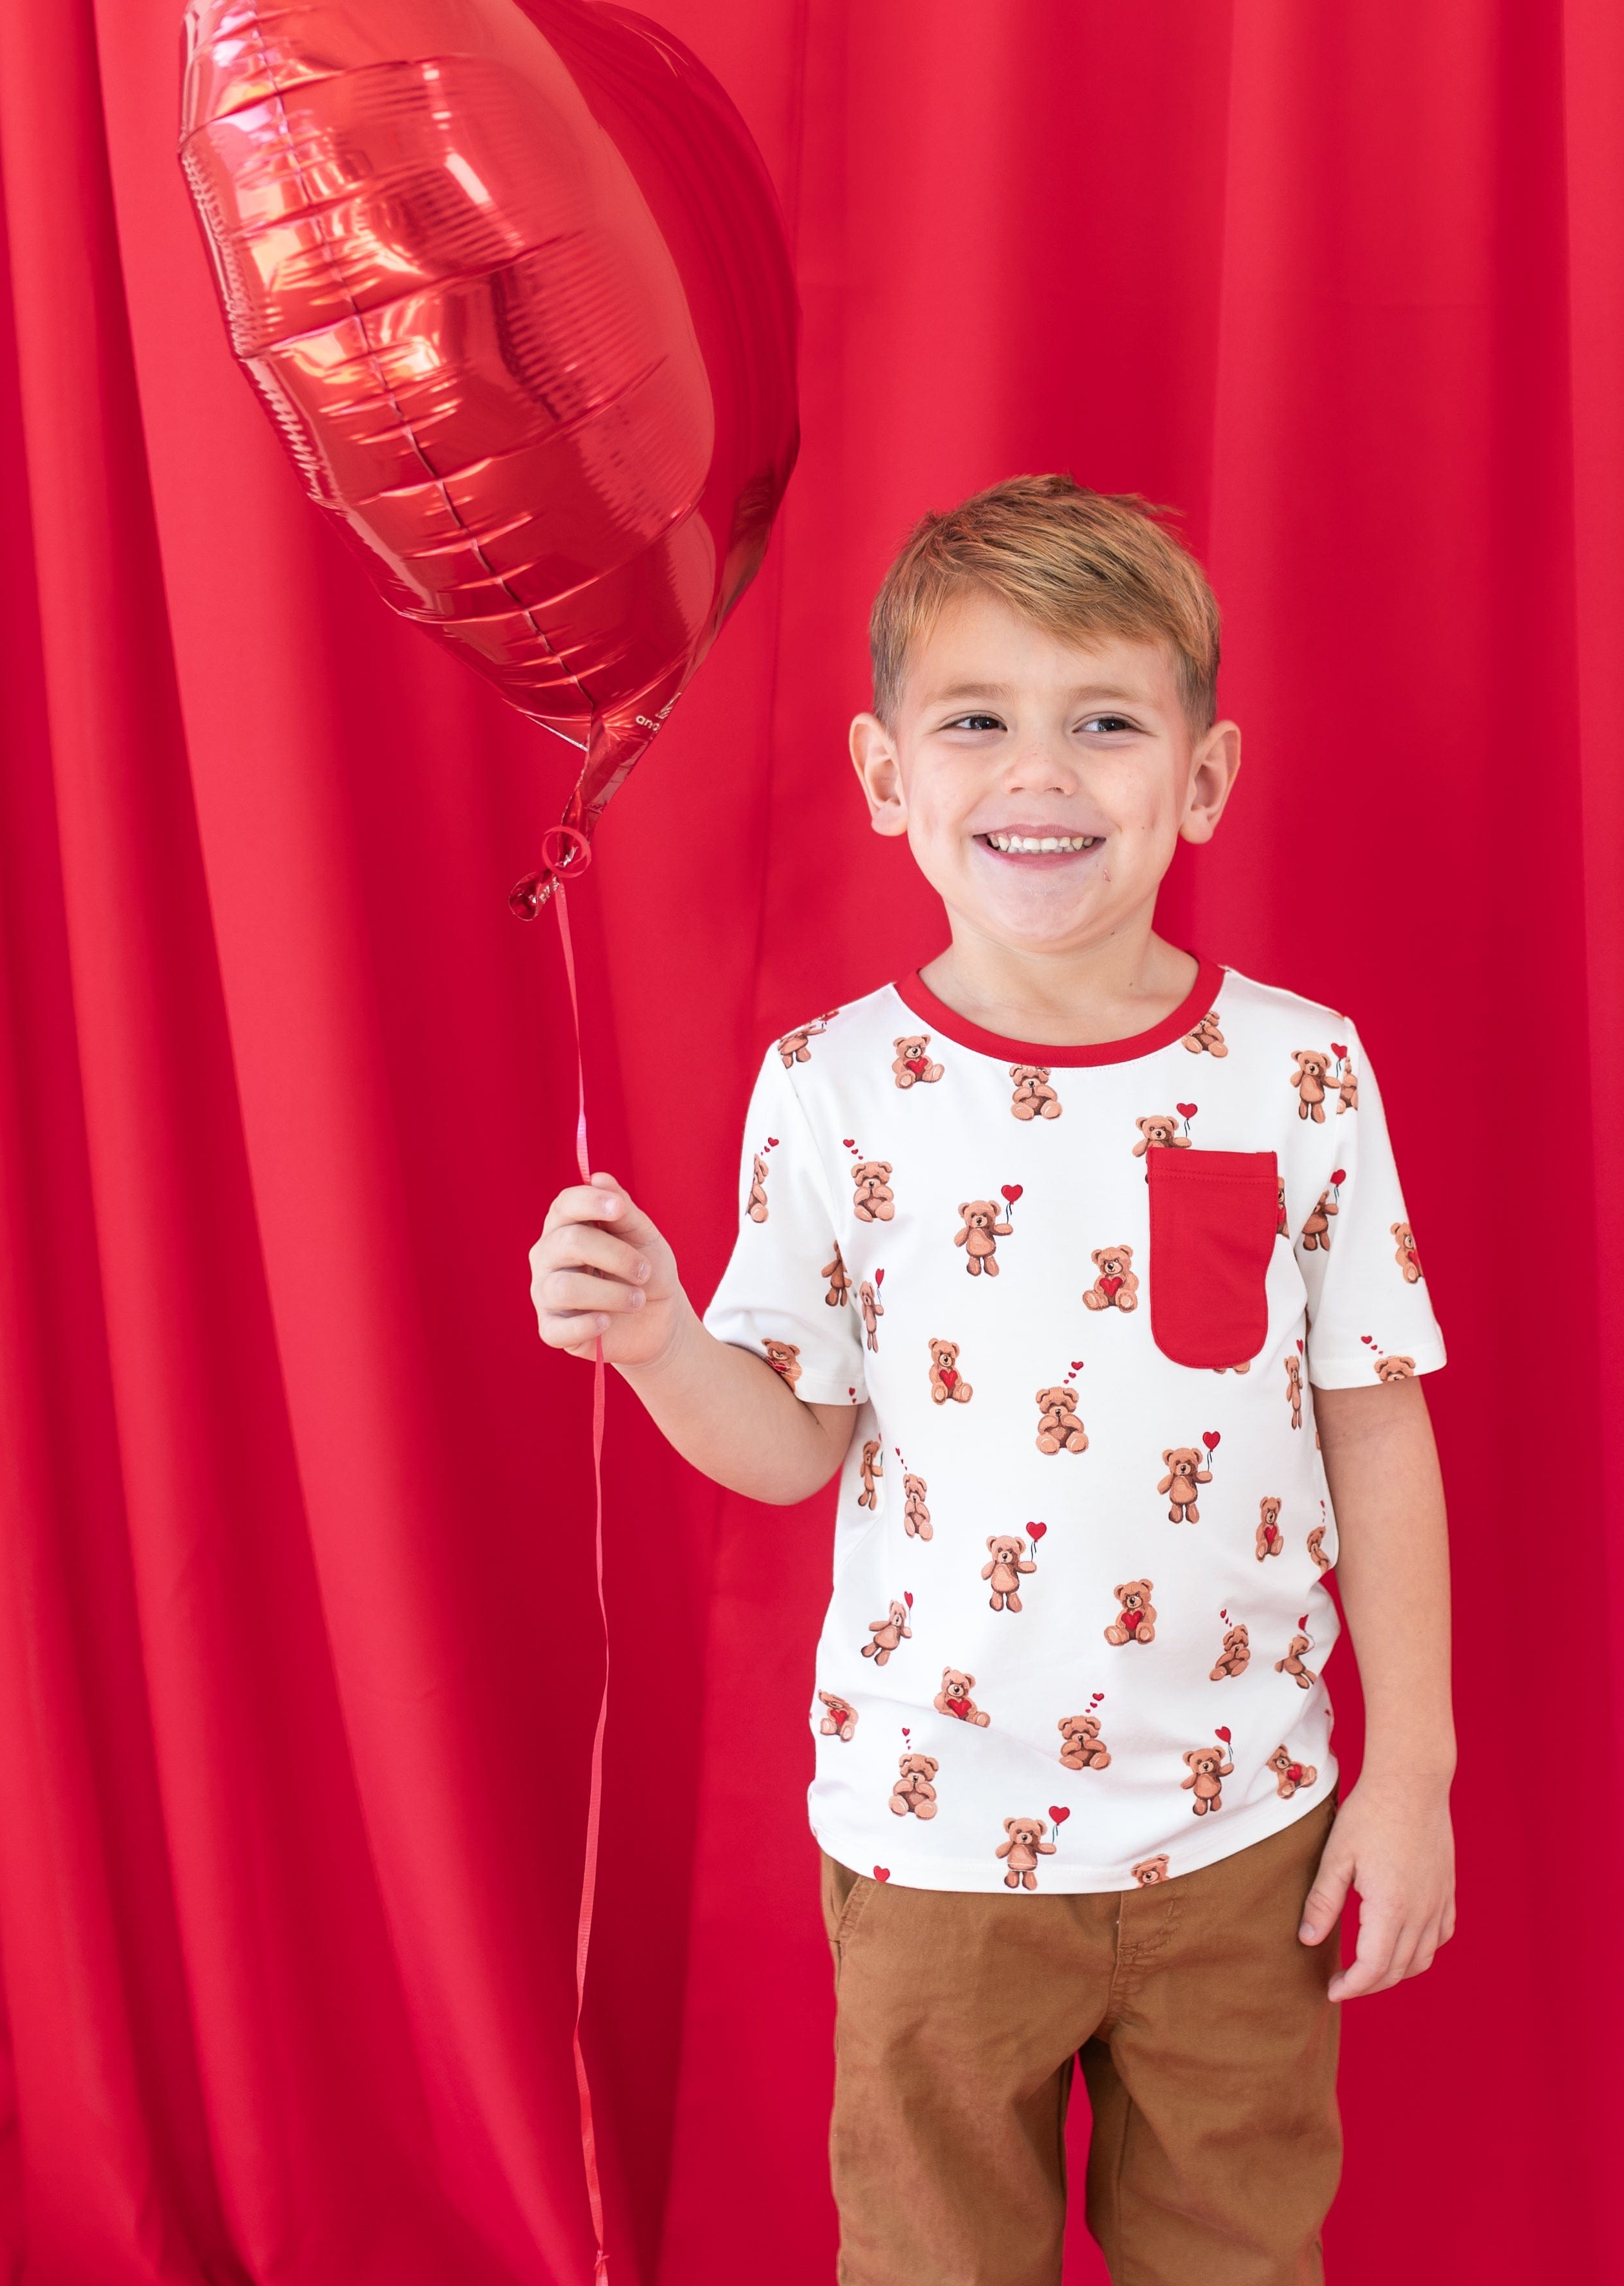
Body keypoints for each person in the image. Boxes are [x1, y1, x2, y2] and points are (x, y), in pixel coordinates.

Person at [528, 476, 1455, 2285]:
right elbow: (790, 1447)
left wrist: (1409, 1768)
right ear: (886, 778)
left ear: (1202, 779)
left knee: (1242, 2257)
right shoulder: (830, 1089)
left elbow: (1374, 1417)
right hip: (935, 1841)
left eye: (1106, 723)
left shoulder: (1301, 1076)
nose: (1041, 772)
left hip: (1242, 1835)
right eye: (976, 722)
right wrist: (658, 1343)